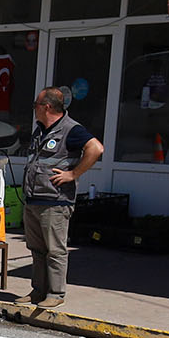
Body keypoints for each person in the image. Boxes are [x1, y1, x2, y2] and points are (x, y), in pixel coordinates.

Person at [19, 86, 103, 309]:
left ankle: (56, 293)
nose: (34, 110)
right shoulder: (40, 129)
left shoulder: (71, 129)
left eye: (36, 105)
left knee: (55, 251)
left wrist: (73, 174)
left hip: (55, 202)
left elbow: (96, 148)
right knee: (37, 250)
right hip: (34, 199)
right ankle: (38, 291)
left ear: (46, 107)